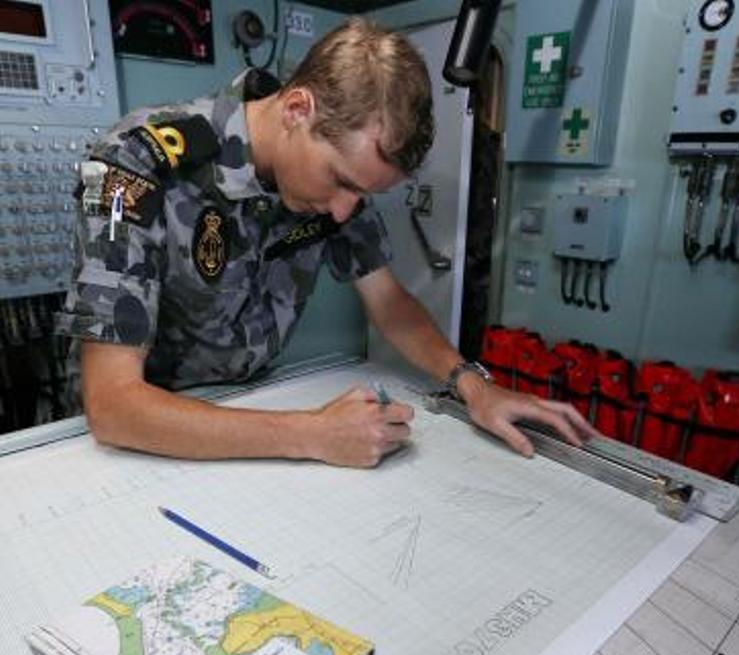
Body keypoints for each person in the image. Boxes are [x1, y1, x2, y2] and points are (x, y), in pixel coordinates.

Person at [56, 17, 593, 467]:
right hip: (148, 435)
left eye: (361, 195)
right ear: (297, 111)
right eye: (342, 182)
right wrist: (311, 435)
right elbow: (113, 406)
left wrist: (472, 383)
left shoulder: (341, 184)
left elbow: (389, 303)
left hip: (255, 407)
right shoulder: (134, 162)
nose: (344, 211)